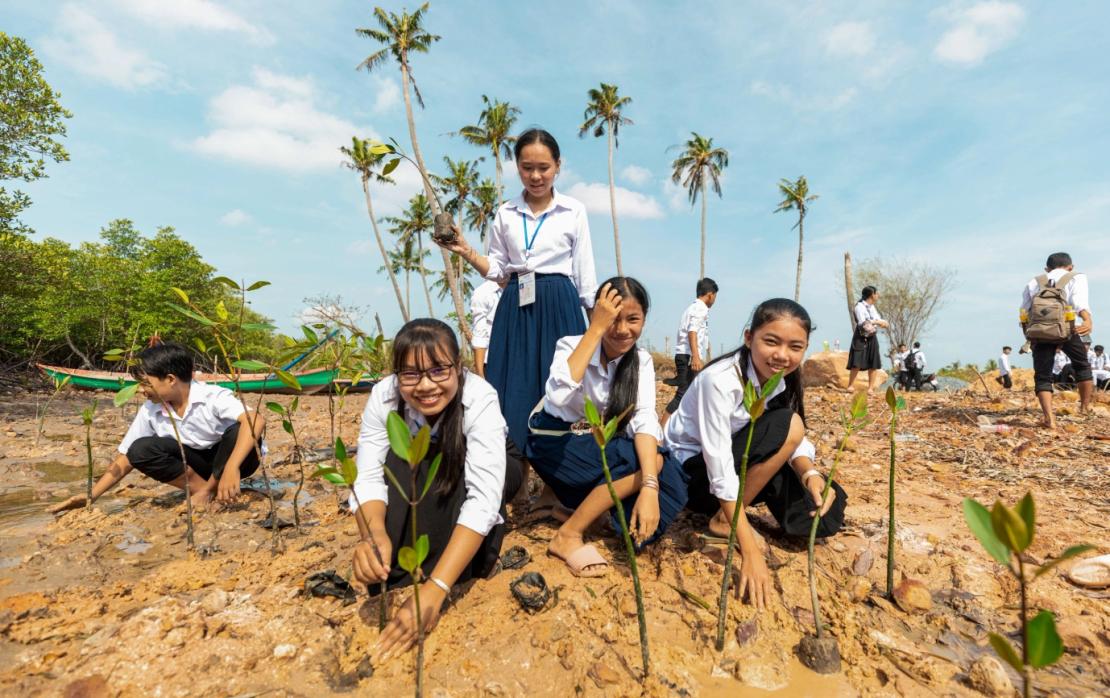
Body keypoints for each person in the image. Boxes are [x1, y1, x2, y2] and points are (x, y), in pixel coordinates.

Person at [350, 319, 525, 661]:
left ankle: (463, 564)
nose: (426, 386)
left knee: (452, 485)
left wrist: (436, 589)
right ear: (396, 375)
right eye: (411, 375)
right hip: (424, 458)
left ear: (458, 368)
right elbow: (369, 475)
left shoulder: (479, 397)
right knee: (401, 472)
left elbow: (483, 497)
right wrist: (373, 537)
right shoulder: (383, 397)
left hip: (492, 461)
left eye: (439, 371)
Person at [664, 299, 847, 609]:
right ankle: (725, 520)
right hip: (692, 476)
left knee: (823, 516)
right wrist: (749, 549)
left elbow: (793, 442)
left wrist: (810, 474)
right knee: (789, 424)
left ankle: (736, 511)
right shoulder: (719, 381)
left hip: (744, 462)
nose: (782, 356)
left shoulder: (781, 380)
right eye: (771, 342)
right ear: (749, 338)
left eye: (795, 347)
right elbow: (720, 464)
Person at [437, 128, 597, 455]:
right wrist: (466, 250)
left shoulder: (573, 211)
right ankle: (518, 475)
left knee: (562, 389)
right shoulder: (506, 213)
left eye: (543, 167)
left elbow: (585, 275)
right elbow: (498, 270)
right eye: (527, 167)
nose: (535, 176)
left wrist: (597, 332)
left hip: (560, 302)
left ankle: (554, 485)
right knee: (514, 387)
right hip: (516, 305)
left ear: (557, 166)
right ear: (517, 167)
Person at [526, 278, 687, 577]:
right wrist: (595, 329)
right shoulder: (572, 345)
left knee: (668, 477)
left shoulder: (640, 361)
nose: (623, 330)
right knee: (647, 461)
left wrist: (649, 487)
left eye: (633, 319)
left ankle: (588, 512)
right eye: (613, 319)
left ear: (644, 319)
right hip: (555, 444)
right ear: (597, 314)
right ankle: (568, 534)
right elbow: (558, 394)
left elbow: (643, 418)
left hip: (592, 444)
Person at [49, 342, 265, 513]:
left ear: (170, 379)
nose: (142, 390)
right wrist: (92, 495)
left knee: (238, 430)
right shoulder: (151, 409)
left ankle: (211, 489)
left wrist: (231, 468)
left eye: (145, 383)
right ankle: (205, 491)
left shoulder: (212, 396)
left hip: (235, 461)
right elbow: (126, 457)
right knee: (140, 449)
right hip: (197, 465)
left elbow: (256, 420)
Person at [1021, 252, 1093, 428]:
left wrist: (1029, 336)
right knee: (1082, 366)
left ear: (1047, 269)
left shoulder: (1034, 281)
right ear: (1071, 266)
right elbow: (1079, 302)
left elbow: (1024, 313)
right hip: (1068, 329)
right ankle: (1084, 408)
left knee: (1043, 376)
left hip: (1040, 332)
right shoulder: (1077, 277)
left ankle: (1049, 419)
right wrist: (1087, 319)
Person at [662, 278, 717, 424]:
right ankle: (661, 432)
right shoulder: (701, 309)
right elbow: (692, 331)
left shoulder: (691, 308)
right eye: (715, 297)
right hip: (688, 356)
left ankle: (679, 427)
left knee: (691, 393)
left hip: (683, 355)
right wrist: (696, 357)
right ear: (710, 295)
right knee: (684, 394)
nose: (714, 301)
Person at [846, 286, 889, 393]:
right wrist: (877, 322)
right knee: (856, 360)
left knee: (873, 362)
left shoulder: (872, 307)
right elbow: (863, 323)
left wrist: (882, 322)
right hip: (861, 336)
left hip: (872, 336)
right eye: (876, 293)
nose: (878, 295)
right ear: (871, 295)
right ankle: (850, 386)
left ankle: (870, 388)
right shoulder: (859, 307)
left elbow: (877, 319)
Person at [469, 279, 504, 379]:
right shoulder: (483, 292)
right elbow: (479, 335)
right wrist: (480, 374)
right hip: (492, 361)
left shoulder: (522, 286)